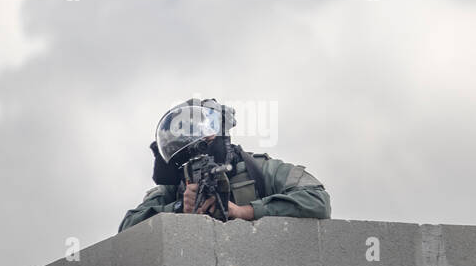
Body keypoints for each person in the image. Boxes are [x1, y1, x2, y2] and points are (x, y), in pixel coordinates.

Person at [119, 98, 331, 232]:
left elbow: (317, 200)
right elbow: (127, 228)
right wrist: (178, 209)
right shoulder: (176, 188)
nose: (199, 154)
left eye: (206, 140)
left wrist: (244, 211)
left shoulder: (258, 169)